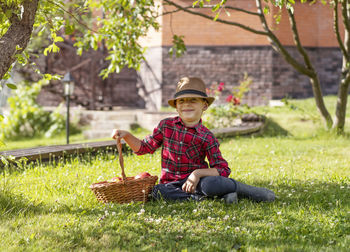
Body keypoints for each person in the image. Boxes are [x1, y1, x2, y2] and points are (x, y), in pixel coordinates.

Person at [111, 77, 275, 203]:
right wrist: (126, 135)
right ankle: (214, 197)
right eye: (182, 101)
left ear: (204, 105)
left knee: (210, 185)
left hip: (199, 182)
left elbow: (222, 169)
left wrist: (196, 174)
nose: (186, 104)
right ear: (176, 106)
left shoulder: (206, 136)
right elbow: (144, 147)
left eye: (193, 100)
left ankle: (244, 190)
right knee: (157, 192)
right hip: (172, 184)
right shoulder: (166, 125)